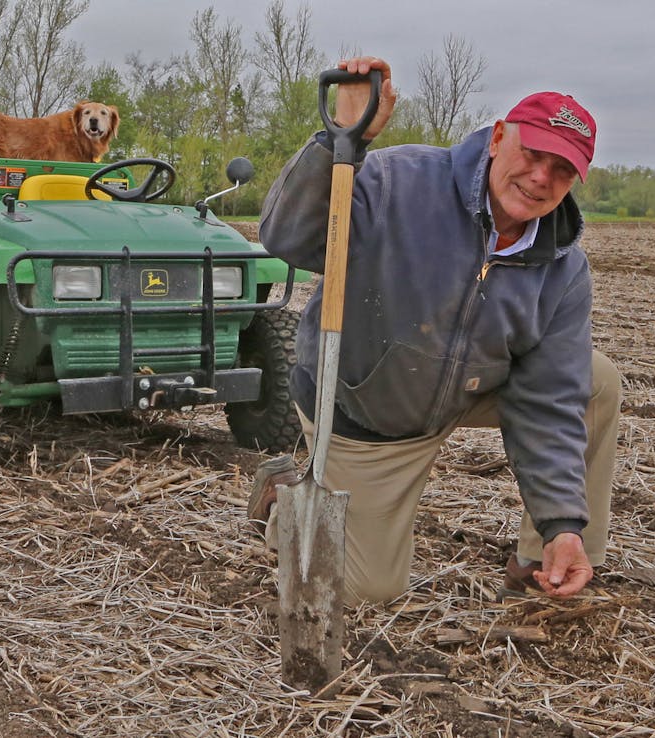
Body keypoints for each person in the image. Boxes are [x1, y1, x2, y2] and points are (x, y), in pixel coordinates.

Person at [251, 55, 620, 605]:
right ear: (498, 138)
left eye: (562, 169)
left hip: (468, 386)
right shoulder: (399, 183)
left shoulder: (562, 269)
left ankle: (549, 559)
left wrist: (561, 522)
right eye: (533, 154)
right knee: (368, 592)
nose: (542, 178)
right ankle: (285, 497)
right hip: (365, 409)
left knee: (595, 382)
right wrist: (340, 143)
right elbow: (287, 237)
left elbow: (551, 396)